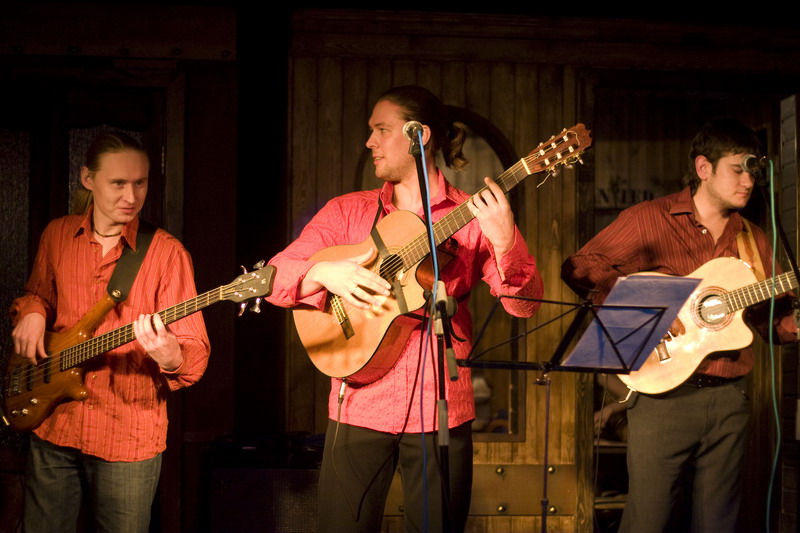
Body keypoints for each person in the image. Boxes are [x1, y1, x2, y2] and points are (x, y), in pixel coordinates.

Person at [267, 85, 544, 532]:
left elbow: (523, 307)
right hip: (359, 402)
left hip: (440, 406)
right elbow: (274, 277)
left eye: (381, 130)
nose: (369, 142)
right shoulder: (347, 212)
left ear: (419, 134)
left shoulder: (473, 217)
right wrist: (324, 273)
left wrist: (506, 239)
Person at [561, 118, 799, 533]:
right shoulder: (650, 219)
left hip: (730, 399)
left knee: (719, 523)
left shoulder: (755, 239)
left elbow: (773, 325)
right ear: (704, 167)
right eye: (738, 169)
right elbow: (580, 267)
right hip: (662, 396)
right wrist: (647, 306)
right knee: (648, 520)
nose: (748, 181)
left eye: (753, 171)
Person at [9, 131, 211, 532]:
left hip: (127, 437)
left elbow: (195, 351)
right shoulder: (57, 235)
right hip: (54, 421)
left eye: (140, 183)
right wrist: (31, 311)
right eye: (118, 183)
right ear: (88, 178)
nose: (131, 196)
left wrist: (170, 355)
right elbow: (38, 295)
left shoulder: (168, 254)